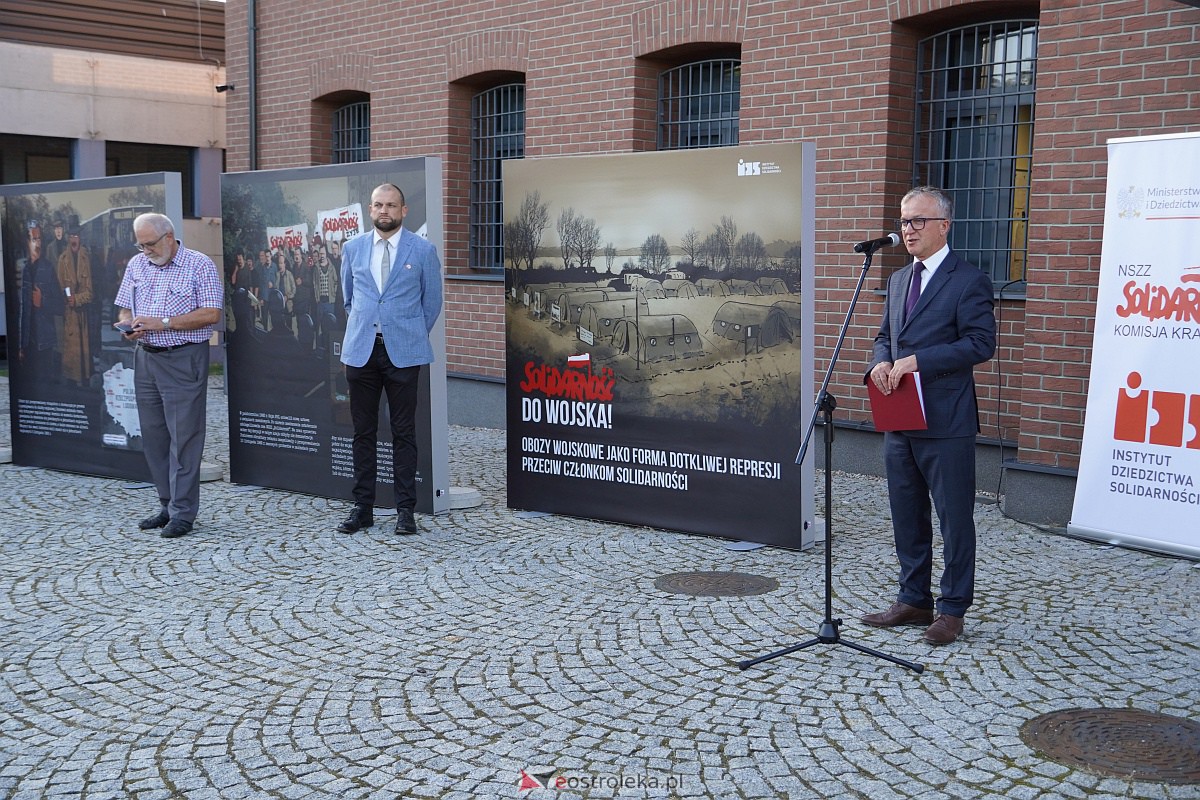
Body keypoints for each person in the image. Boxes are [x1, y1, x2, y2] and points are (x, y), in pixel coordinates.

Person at [861, 186, 996, 645]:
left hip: (946, 418)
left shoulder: (968, 280)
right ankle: (914, 599)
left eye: (918, 221)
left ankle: (952, 609)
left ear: (944, 225)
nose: (908, 230)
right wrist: (880, 361)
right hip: (900, 415)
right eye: (903, 222)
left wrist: (920, 360)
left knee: (954, 517)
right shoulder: (899, 280)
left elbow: (981, 344)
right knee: (906, 512)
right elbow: (885, 336)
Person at [337, 183, 443, 536]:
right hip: (361, 349)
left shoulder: (423, 250)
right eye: (379, 205)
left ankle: (405, 510)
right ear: (370, 210)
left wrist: (406, 332)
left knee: (404, 433)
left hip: (403, 353)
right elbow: (349, 299)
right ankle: (362, 507)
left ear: (404, 210)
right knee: (362, 432)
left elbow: (431, 304)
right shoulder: (352, 249)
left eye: (392, 205)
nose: (385, 211)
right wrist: (370, 325)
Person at [114, 213, 223, 539]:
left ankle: (183, 513)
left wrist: (162, 322)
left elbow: (211, 313)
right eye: (140, 244)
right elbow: (124, 306)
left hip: (183, 357)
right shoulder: (136, 264)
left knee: (184, 438)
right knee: (155, 437)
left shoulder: (199, 264)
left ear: (169, 237)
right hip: (146, 358)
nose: (144, 249)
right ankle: (168, 503)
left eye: (149, 243)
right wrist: (128, 324)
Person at [17, 220, 64, 388]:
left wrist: (42, 302)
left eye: (39, 239)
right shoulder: (23, 269)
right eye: (33, 239)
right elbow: (20, 310)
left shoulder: (48, 268)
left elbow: (60, 306)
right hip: (27, 344)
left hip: (44, 344)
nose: (37, 243)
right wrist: (20, 345)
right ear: (26, 242)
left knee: (44, 390)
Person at [56, 229, 95, 387]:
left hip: (84, 312)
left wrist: (77, 299)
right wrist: (68, 298)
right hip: (69, 313)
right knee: (71, 351)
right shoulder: (62, 259)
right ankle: (71, 382)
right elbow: (60, 286)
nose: (74, 239)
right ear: (68, 238)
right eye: (72, 236)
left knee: (84, 353)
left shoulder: (87, 258)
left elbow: (91, 292)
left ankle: (84, 381)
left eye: (77, 236)